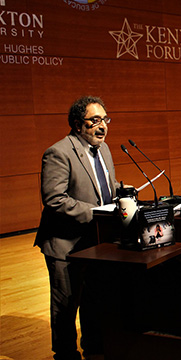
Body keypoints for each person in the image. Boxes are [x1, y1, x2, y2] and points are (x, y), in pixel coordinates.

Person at [34, 95, 119, 360]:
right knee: (66, 305)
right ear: (77, 124)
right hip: (65, 243)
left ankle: (94, 348)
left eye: (105, 119)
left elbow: (107, 188)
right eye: (94, 120)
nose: (102, 125)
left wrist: (124, 196)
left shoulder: (103, 149)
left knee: (95, 298)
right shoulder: (58, 152)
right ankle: (65, 353)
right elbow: (54, 199)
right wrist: (97, 212)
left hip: (95, 240)